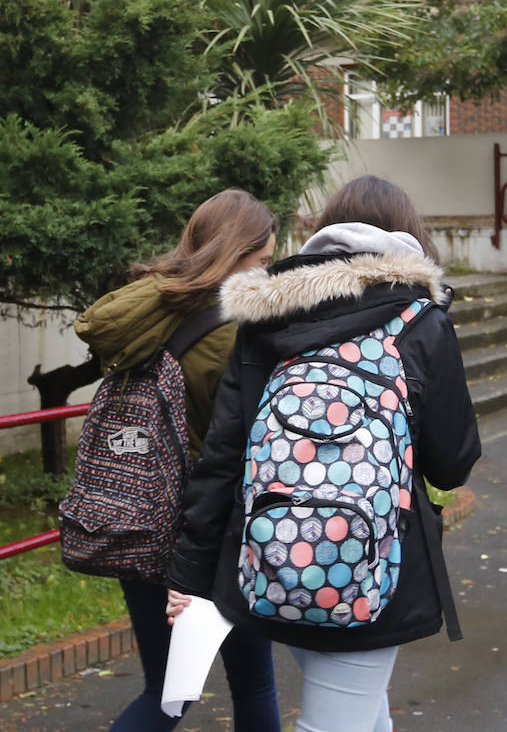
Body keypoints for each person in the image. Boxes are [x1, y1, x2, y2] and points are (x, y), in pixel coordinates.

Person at [166, 176, 481, 732]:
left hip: (272, 561)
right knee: (340, 720)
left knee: (362, 713)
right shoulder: (421, 322)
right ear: (408, 238)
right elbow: (452, 464)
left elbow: (222, 457)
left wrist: (189, 575)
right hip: (373, 569)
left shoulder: (267, 316)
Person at [74, 189, 282, 732]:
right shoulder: (234, 336)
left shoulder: (154, 315)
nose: (266, 275)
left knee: (163, 689)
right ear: (234, 253)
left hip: (139, 517)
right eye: (262, 262)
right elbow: (247, 445)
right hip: (208, 535)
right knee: (248, 685)